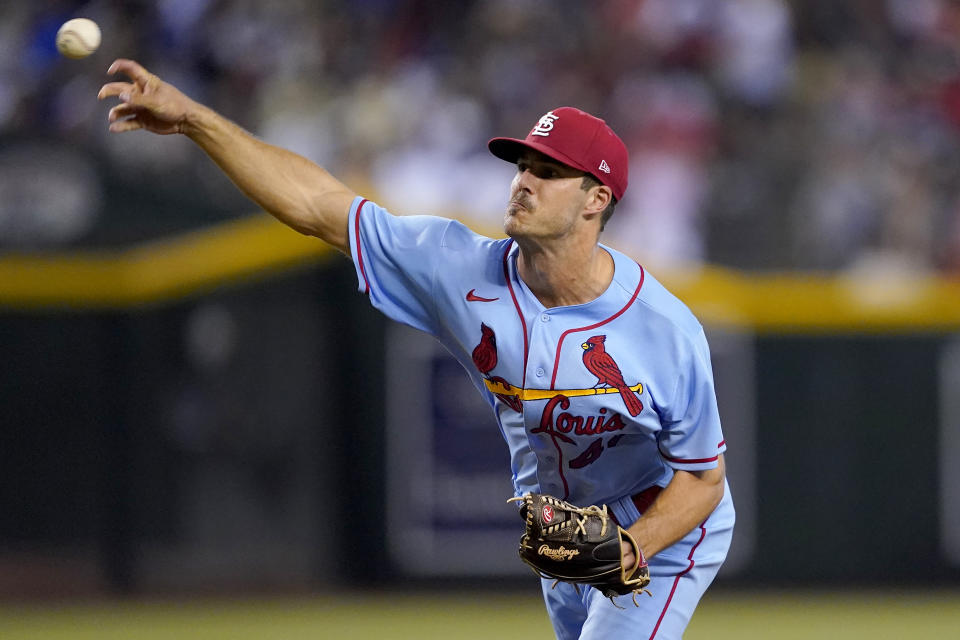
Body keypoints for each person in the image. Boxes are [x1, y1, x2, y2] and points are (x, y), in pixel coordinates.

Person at [99, 58, 734, 639]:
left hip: (665, 522)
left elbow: (704, 478)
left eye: (547, 172)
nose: (523, 182)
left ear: (597, 199)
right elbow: (317, 205)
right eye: (521, 165)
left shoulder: (662, 329)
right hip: (564, 524)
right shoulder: (455, 267)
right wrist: (194, 120)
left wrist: (632, 545)